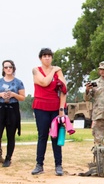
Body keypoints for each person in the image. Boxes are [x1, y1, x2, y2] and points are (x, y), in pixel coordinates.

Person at [31, 48, 67, 176]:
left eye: (49, 56)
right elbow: (44, 82)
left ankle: (58, 165)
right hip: (41, 107)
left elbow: (64, 89)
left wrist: (61, 109)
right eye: (44, 56)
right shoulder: (36, 70)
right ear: (40, 58)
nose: (47, 58)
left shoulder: (59, 71)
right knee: (42, 136)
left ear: (52, 58)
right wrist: (53, 70)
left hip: (55, 107)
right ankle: (39, 165)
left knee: (56, 136)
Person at [0, 60, 25, 167]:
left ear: (13, 68)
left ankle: (8, 158)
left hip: (12, 109)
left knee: (11, 135)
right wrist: (1, 95)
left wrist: (14, 94)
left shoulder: (18, 82)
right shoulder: (0, 82)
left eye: (10, 67)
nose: (8, 69)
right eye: (6, 67)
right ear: (3, 69)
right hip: (1, 108)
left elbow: (23, 97)